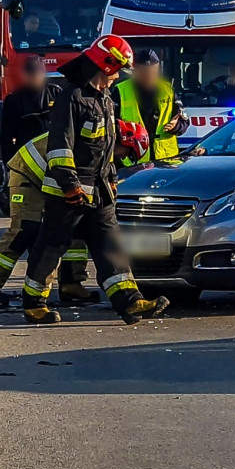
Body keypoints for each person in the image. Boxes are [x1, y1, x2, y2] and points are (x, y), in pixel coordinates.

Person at [20, 35, 170, 325]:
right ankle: (34, 303)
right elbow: (60, 147)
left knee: (110, 244)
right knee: (52, 245)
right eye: (115, 72)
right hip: (69, 193)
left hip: (99, 191)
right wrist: (69, 185)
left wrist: (111, 178)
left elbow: (106, 147)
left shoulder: (103, 100)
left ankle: (130, 301)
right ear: (104, 65)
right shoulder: (71, 97)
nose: (116, 79)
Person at [0, 119, 149, 307]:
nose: (124, 157)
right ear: (122, 141)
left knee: (77, 227)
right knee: (25, 229)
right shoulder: (92, 142)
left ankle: (71, 283)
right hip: (28, 174)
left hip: (50, 179)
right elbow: (71, 168)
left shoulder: (102, 146)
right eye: (128, 152)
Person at [112, 49, 189, 165]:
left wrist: (176, 127)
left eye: (152, 72)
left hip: (166, 159)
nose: (148, 77)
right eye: (144, 73)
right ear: (135, 71)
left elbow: (184, 121)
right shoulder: (120, 90)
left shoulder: (167, 90)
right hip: (133, 160)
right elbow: (110, 124)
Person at [0, 55, 57, 165]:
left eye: (37, 74)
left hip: (52, 158)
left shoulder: (55, 93)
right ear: (25, 75)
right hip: (27, 161)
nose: (35, 77)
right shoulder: (14, 101)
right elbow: (6, 138)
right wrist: (11, 165)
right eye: (31, 74)